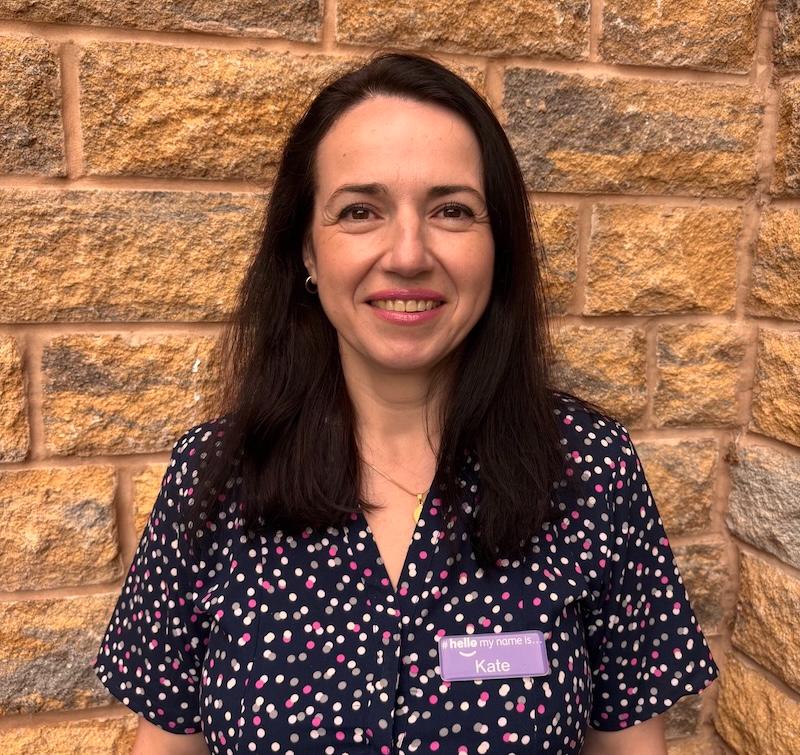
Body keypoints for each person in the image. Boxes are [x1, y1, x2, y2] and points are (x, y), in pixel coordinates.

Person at [92, 51, 719, 755]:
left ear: (497, 245)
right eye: (360, 211)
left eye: (451, 210)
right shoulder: (215, 476)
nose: (409, 253)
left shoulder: (589, 470)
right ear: (306, 249)